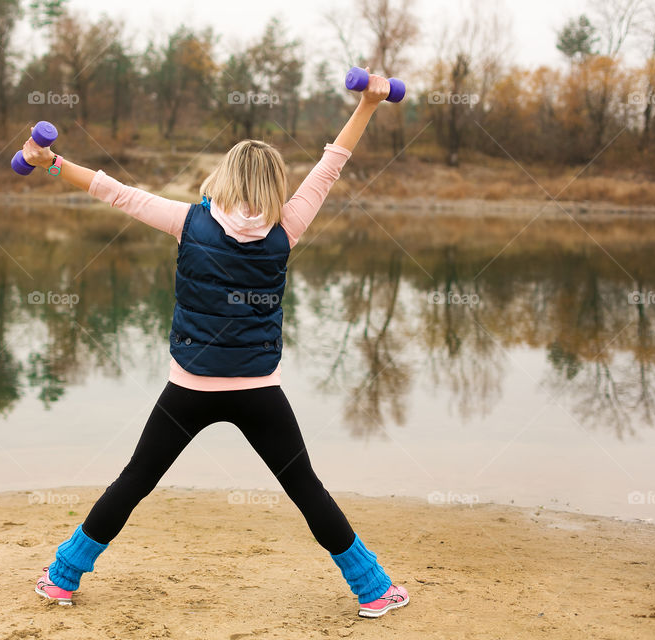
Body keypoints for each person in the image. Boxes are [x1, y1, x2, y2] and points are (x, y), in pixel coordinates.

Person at [24, 69, 409, 619]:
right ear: (276, 185)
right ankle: (372, 590)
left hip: (189, 388)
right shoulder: (288, 226)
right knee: (304, 486)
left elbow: (115, 192)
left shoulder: (188, 221)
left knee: (135, 480)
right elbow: (332, 162)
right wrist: (369, 105)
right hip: (258, 390)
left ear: (225, 176)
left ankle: (62, 578)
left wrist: (52, 163)